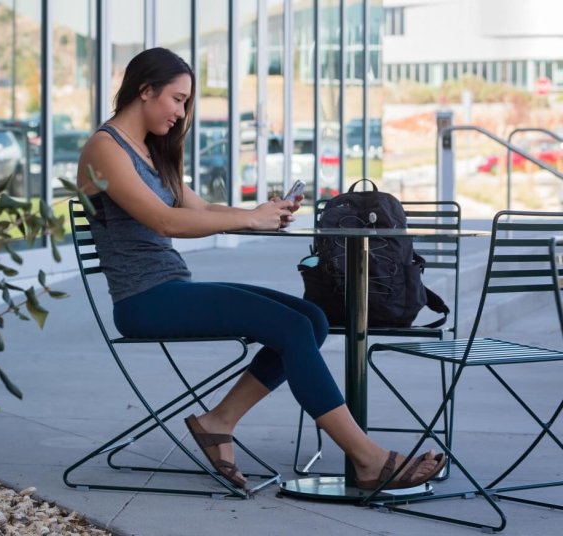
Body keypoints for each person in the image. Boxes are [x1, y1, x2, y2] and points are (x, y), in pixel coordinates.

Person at [77, 47, 445, 491]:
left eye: (186, 102)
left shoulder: (152, 153)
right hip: (143, 300)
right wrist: (250, 219)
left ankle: (219, 421)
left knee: (312, 318)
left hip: (171, 287)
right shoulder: (104, 148)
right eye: (177, 99)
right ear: (145, 89)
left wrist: (260, 211)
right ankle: (368, 458)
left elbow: (200, 208)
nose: (182, 112)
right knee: (290, 326)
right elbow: (165, 219)